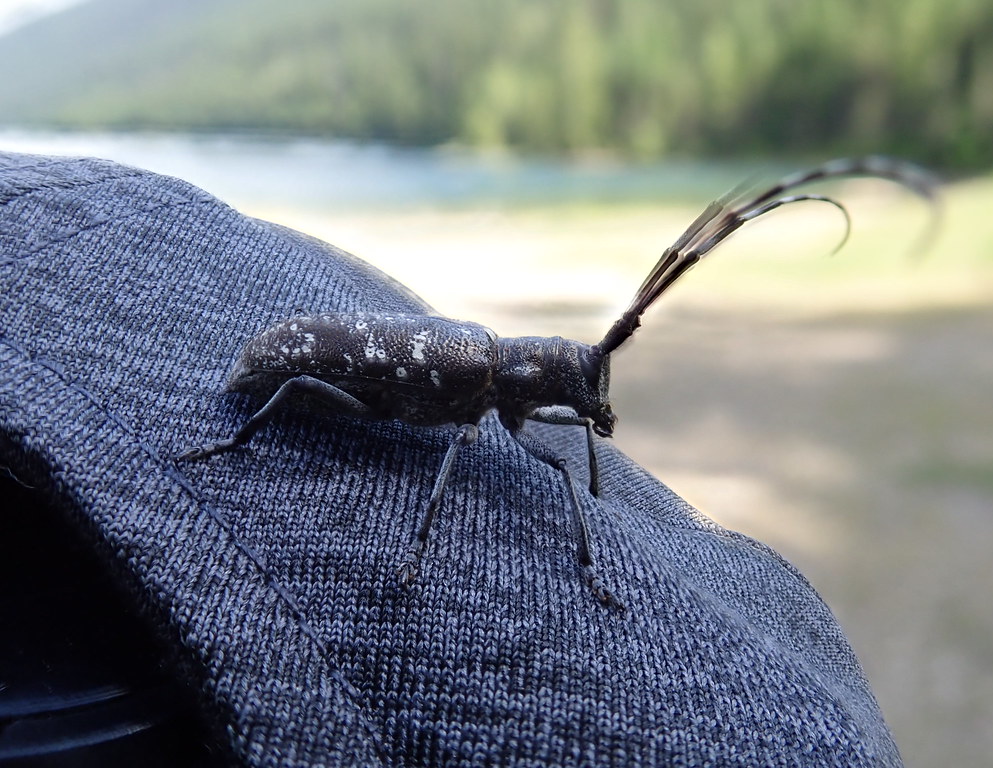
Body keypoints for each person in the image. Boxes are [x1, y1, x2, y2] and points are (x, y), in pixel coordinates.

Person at [0, 150, 903, 766]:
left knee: (564, 457)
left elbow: (579, 442)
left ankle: (590, 560)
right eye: (577, 381)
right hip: (287, 359)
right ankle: (232, 442)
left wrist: (591, 499)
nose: (585, 400)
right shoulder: (474, 384)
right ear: (540, 376)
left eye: (582, 385)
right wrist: (416, 553)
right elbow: (431, 452)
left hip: (350, 355)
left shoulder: (514, 396)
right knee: (311, 400)